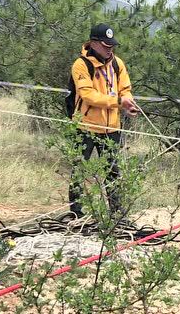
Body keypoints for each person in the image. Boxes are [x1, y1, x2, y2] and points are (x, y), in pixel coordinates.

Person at [67, 23, 139, 217]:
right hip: (85, 127)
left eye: (112, 45)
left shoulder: (118, 63)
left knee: (113, 172)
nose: (110, 49)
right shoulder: (81, 65)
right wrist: (118, 102)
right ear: (94, 43)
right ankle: (76, 214)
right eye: (106, 46)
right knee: (80, 171)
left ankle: (116, 214)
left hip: (112, 129)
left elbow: (125, 89)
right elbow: (88, 95)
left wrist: (128, 103)